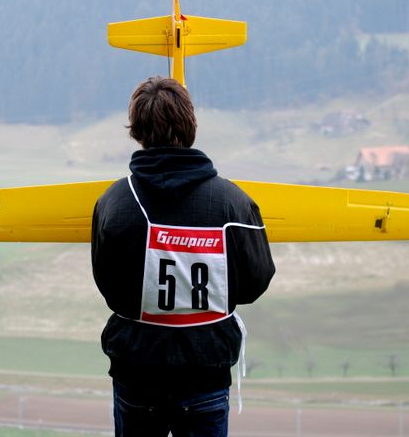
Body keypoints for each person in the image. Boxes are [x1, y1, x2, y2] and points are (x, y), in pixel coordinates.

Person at [91, 76, 275, 437]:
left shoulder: (113, 203)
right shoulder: (234, 203)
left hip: (136, 371)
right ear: (191, 125)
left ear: (136, 130)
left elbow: (108, 285)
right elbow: (257, 281)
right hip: (207, 370)